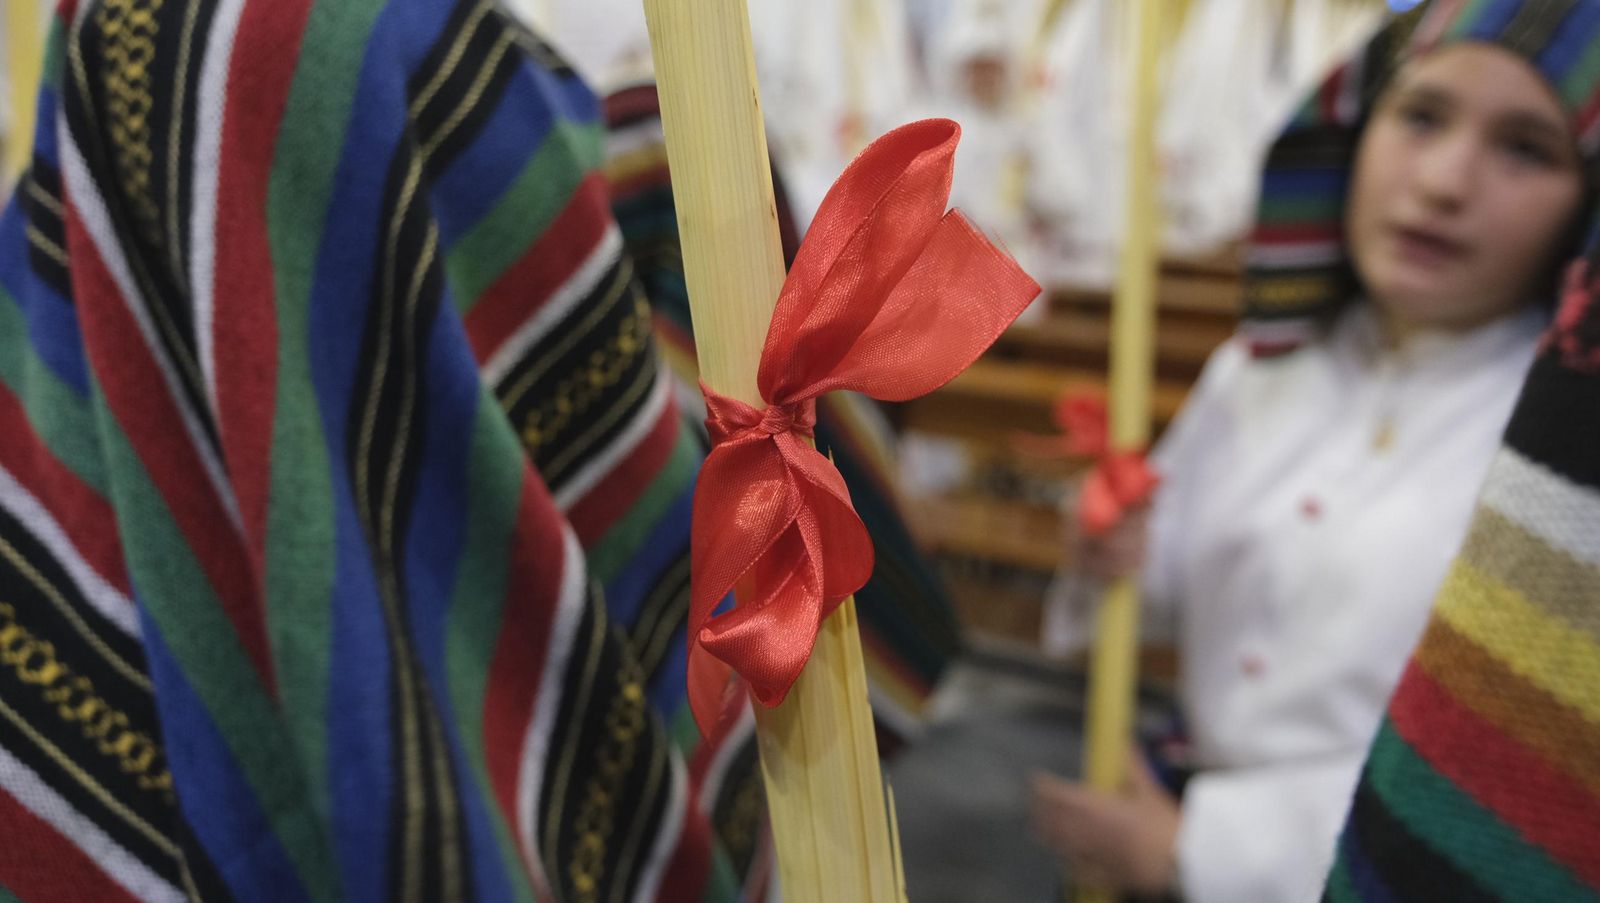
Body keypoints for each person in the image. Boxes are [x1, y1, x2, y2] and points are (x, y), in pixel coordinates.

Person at [1031, 1, 1600, 899]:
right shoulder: (1258, 368)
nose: (1446, 181)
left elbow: (1504, 785)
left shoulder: (1562, 459)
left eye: (1525, 147)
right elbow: (1157, 593)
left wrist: (1202, 850)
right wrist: (1108, 543)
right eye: (1421, 116)